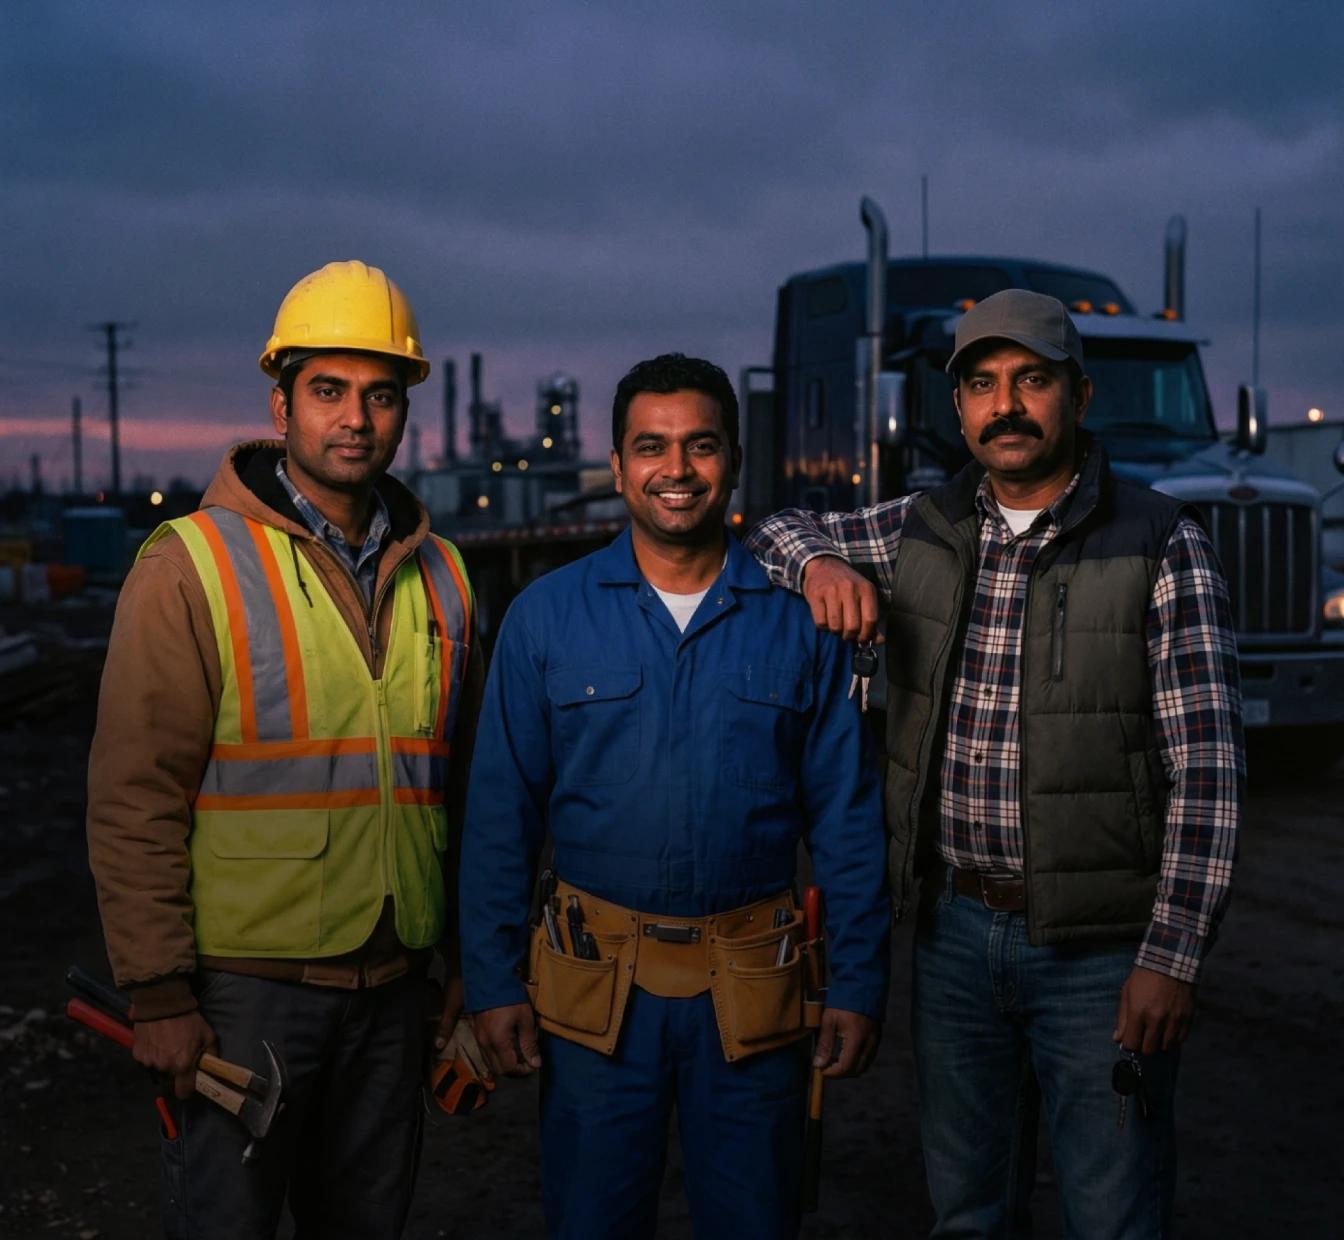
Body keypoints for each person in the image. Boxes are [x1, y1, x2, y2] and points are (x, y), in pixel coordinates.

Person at [745, 289, 1244, 1239]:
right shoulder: (924, 528)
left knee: (1114, 1217)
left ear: (1079, 394)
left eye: (1031, 380)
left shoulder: (1162, 543)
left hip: (1101, 957)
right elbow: (776, 528)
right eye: (982, 384)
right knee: (968, 1214)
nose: (1005, 404)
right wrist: (819, 567)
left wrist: (1170, 959)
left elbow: (1209, 774)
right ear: (959, 406)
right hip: (957, 938)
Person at [86, 260, 483, 1239]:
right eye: (329, 391)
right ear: (282, 402)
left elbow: (465, 788)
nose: (356, 417)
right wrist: (161, 991)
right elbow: (135, 792)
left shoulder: (446, 575)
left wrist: (472, 963)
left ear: (404, 411)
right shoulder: (192, 564)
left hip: (395, 995)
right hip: (241, 999)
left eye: (380, 394)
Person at [458, 354, 890, 1239]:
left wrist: (860, 982)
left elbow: (847, 816)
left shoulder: (795, 621)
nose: (676, 469)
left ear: (731, 458)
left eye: (699, 445)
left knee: (755, 1222)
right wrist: (491, 979)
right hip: (594, 993)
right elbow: (500, 813)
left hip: (753, 990)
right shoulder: (547, 617)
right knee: (592, 1222)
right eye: (650, 446)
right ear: (616, 466)